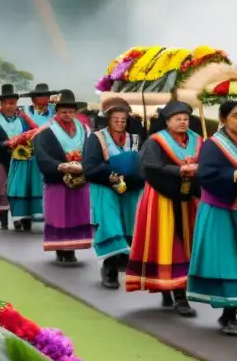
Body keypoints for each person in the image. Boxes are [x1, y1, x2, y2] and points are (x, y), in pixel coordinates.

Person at [188, 100, 237, 336]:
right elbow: (207, 173)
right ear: (223, 119)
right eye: (236, 115)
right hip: (221, 210)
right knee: (226, 260)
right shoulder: (213, 145)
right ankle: (228, 314)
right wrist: (234, 175)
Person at [126, 100, 202, 317]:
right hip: (162, 199)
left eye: (186, 119)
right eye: (178, 119)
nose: (182, 122)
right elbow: (150, 167)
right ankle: (177, 294)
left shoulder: (198, 141)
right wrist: (179, 172)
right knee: (169, 243)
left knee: (188, 243)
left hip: (189, 199)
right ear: (168, 121)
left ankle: (174, 288)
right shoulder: (156, 141)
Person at [83, 97, 144, 289]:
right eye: (115, 119)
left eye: (123, 119)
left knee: (130, 226)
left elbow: (143, 163)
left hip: (131, 189)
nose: (119, 122)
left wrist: (133, 178)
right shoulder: (96, 138)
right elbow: (90, 166)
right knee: (111, 226)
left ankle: (124, 265)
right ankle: (109, 269)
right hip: (105, 187)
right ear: (108, 119)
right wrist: (113, 176)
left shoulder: (135, 139)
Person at [33, 89, 93, 265]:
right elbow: (42, 155)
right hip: (58, 180)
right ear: (57, 112)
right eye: (63, 111)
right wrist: (59, 166)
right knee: (59, 214)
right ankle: (60, 248)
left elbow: (91, 151)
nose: (67, 114)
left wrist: (84, 166)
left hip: (80, 179)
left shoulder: (85, 130)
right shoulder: (46, 132)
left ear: (76, 112)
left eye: (71, 111)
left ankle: (72, 248)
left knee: (77, 214)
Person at [0, 84, 43, 231]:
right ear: (1, 104)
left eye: (13, 103)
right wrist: (5, 144)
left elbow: (33, 134)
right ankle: (4, 220)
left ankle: (23, 217)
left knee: (22, 189)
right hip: (1, 159)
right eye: (7, 103)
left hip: (22, 161)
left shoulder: (22, 121)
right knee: (2, 188)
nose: (10, 106)